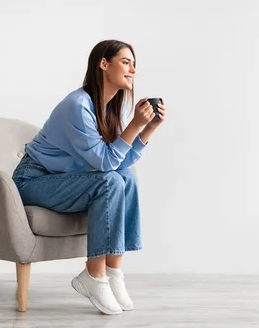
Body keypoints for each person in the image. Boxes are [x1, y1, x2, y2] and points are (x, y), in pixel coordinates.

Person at [11, 39, 166, 315]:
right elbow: (105, 164)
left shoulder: (108, 108)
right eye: (125, 62)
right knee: (109, 181)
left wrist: (148, 129)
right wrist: (134, 125)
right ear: (103, 64)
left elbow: (119, 162)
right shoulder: (78, 105)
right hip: (32, 181)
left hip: (63, 182)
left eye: (134, 65)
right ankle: (93, 275)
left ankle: (113, 272)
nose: (132, 70)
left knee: (126, 178)